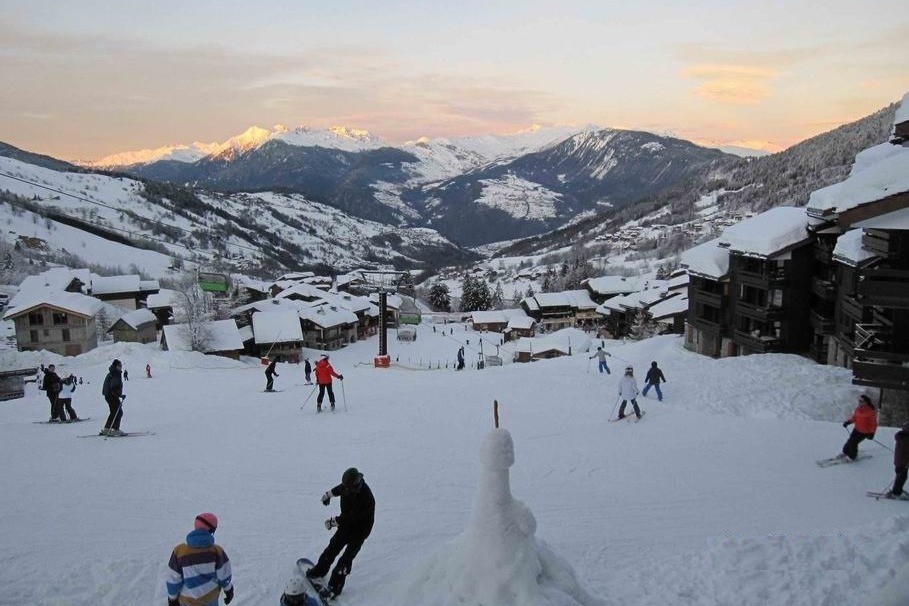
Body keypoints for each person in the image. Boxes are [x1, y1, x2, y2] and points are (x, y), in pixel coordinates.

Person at [306, 468, 375, 598]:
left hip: (359, 532)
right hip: (346, 527)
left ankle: (334, 588)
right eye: (346, 487)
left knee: (345, 561)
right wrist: (328, 495)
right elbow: (340, 489)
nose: (346, 489)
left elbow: (351, 518)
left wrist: (333, 522)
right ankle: (320, 570)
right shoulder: (348, 486)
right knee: (332, 548)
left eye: (349, 488)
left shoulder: (366, 498)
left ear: (356, 485)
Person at [166, 512, 234, 606]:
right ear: (211, 530)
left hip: (187, 600)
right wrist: (228, 590)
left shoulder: (179, 551)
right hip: (210, 598)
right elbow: (224, 575)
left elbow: (173, 578)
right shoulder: (217, 551)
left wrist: (172, 598)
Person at [839, 395, 878, 461]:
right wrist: (848, 422)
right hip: (857, 429)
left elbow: (873, 424)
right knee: (850, 440)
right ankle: (845, 452)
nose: (859, 402)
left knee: (854, 442)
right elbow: (854, 417)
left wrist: (872, 433)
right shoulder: (858, 409)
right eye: (859, 401)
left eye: (861, 401)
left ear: (866, 402)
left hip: (865, 432)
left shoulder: (870, 412)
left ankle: (852, 456)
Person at [101, 359, 126, 436]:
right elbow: (113, 387)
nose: (121, 367)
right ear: (116, 366)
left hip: (109, 395)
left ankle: (107, 429)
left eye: (121, 365)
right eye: (119, 365)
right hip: (112, 396)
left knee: (114, 412)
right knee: (118, 412)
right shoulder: (115, 373)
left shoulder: (112, 373)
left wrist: (119, 395)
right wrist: (119, 395)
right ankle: (115, 429)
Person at [887, 424, 909, 499]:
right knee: (902, 477)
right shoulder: (905, 439)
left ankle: (897, 491)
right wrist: (906, 462)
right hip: (903, 462)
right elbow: (905, 452)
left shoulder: (902, 436)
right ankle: (896, 493)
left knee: (901, 477)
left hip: (900, 461)